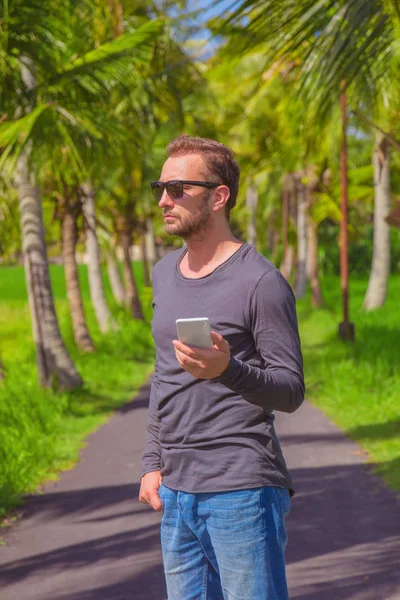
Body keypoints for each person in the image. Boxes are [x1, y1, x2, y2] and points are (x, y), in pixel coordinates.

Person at [139, 134, 305, 600]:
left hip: (242, 488)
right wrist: (152, 463)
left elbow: (291, 390)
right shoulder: (161, 272)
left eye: (177, 189)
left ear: (219, 196)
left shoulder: (261, 282)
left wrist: (228, 369)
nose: (163, 200)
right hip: (174, 488)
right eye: (160, 188)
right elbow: (163, 375)